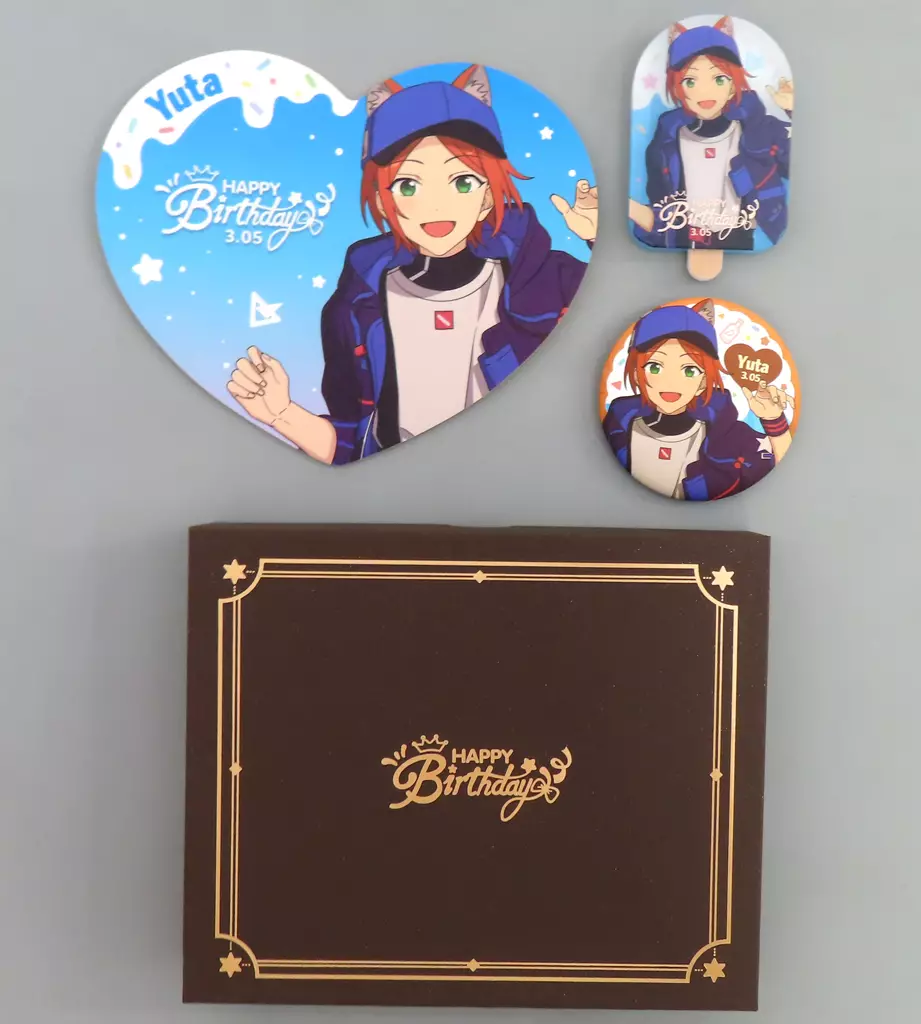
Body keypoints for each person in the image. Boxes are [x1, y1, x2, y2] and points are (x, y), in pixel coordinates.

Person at [227, 64, 597, 463]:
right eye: (408, 185)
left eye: (462, 182)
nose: (435, 205)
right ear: (382, 197)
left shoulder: (545, 280)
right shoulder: (358, 306)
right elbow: (354, 443)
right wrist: (282, 414)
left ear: (489, 195)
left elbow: (607, 341)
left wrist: (595, 239)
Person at [602, 300, 793, 501]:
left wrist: (773, 420)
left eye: (689, 370)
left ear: (703, 381)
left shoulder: (728, 435)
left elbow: (778, 467)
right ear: (636, 372)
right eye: (655, 367)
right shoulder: (618, 424)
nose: (671, 382)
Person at [629, 16, 793, 251]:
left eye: (719, 79)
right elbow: (659, 199)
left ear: (733, 84)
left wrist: (790, 111)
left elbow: (792, 164)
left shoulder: (758, 131)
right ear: (678, 87)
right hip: (685, 237)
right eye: (690, 81)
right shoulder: (667, 140)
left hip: (739, 236)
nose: (705, 91)